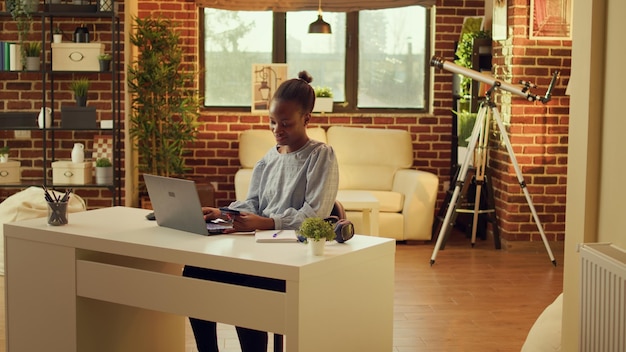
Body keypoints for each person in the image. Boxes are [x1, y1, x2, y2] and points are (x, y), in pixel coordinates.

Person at [183, 70, 339, 352]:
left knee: (248, 288)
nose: (277, 130)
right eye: (271, 122)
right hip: (258, 250)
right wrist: (223, 213)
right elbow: (251, 203)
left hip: (293, 255)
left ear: (307, 119)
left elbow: (315, 215)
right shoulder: (269, 157)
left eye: (285, 123)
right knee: (196, 272)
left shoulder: (320, 155)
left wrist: (267, 222)